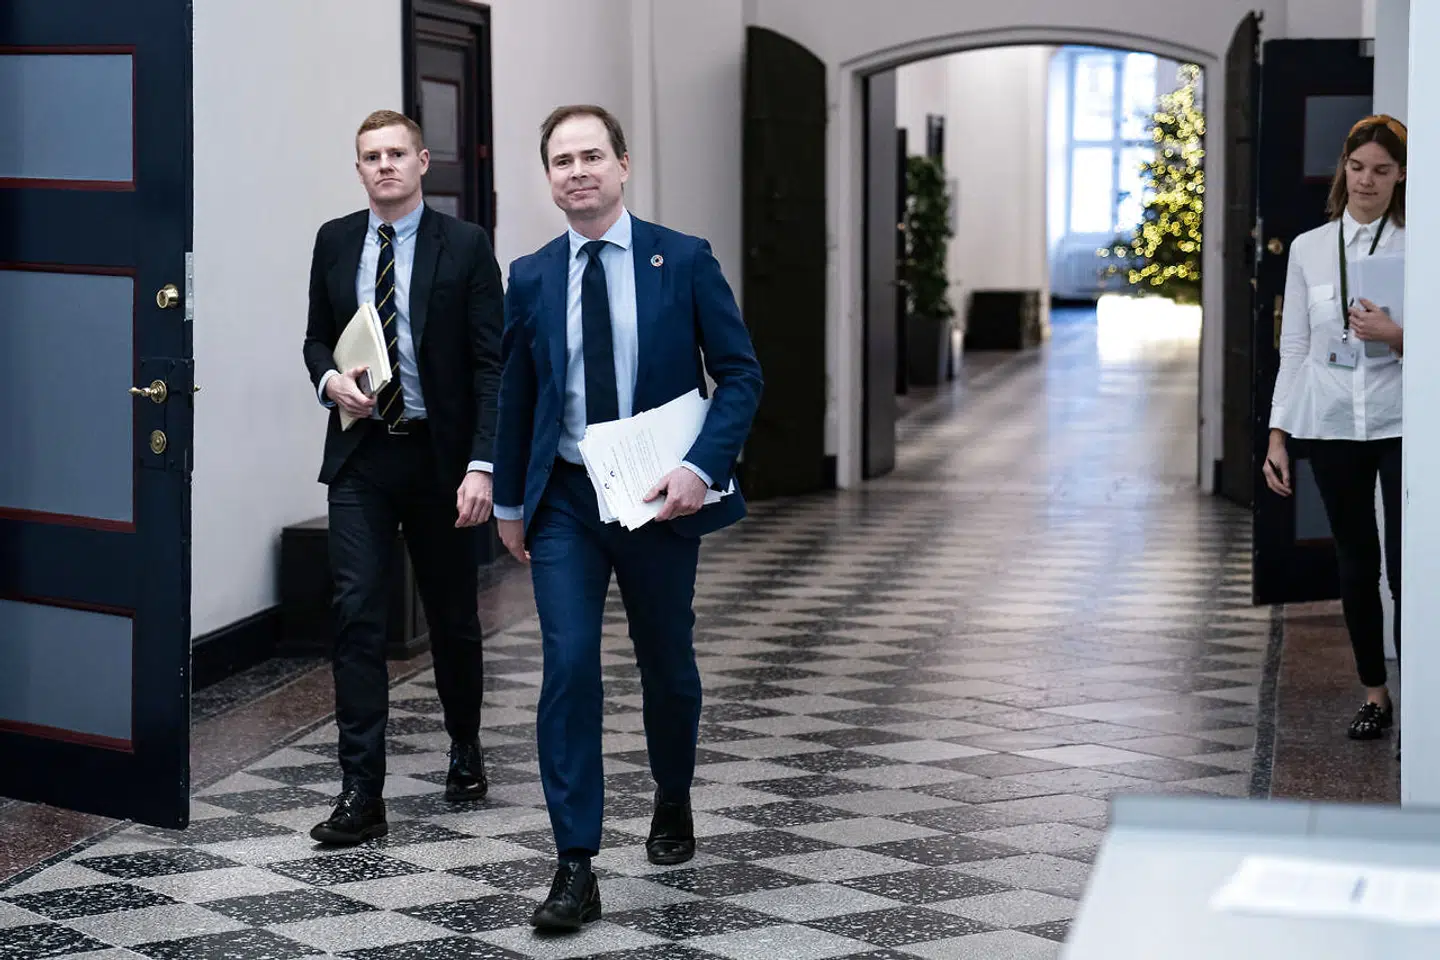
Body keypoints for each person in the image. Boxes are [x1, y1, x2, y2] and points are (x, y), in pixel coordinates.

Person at [492, 104, 762, 932]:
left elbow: (741, 375)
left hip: (656, 500)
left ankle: (672, 795)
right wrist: (509, 499)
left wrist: (699, 468)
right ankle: (575, 862)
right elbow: (519, 392)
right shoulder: (533, 275)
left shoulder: (680, 259)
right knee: (569, 666)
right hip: (569, 499)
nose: (577, 172)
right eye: (561, 161)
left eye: (592, 157)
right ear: (548, 178)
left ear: (623, 165)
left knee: (666, 664)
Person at [301, 109, 505, 844]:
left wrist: (483, 464)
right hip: (362, 453)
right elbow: (316, 337)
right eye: (369, 156)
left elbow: (491, 363)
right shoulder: (335, 239)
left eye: (396, 153)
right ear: (358, 169)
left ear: (423, 161)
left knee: (452, 616)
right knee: (357, 612)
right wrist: (328, 381)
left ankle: (465, 744)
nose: (383, 165)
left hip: (441, 459)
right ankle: (361, 791)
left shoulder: (466, 246)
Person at [1263, 114, 1407, 744]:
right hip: (1329, 422)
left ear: (1401, 176)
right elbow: (1293, 347)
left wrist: (1400, 337)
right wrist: (1277, 434)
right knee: (1355, 561)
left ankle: (1423, 697)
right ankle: (1375, 693)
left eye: (1380, 170)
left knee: (1409, 566)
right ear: (1341, 171)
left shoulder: (1420, 244)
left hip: (1403, 421)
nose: (1366, 182)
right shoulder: (1308, 249)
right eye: (1356, 168)